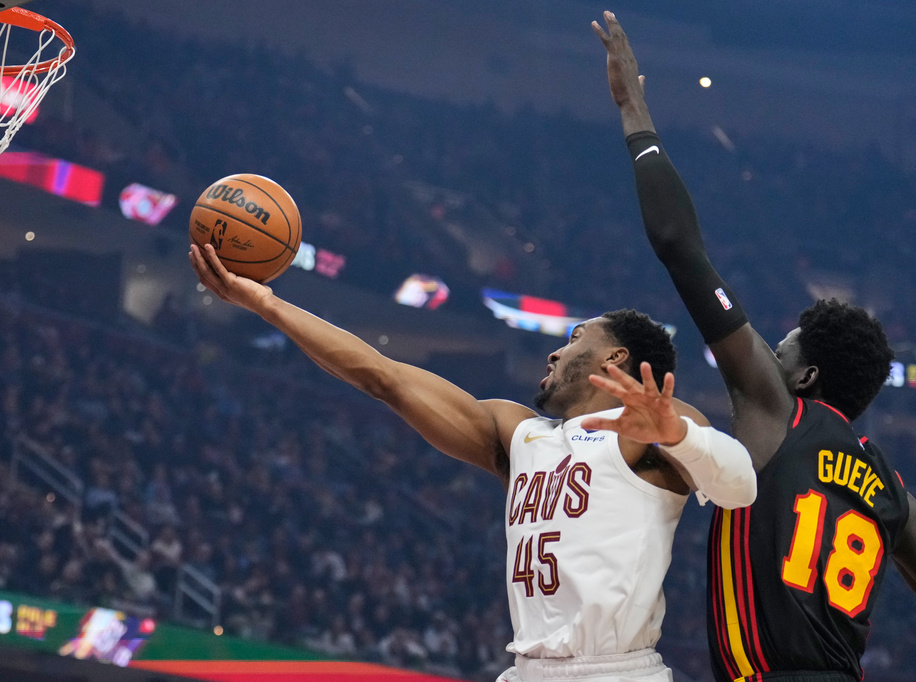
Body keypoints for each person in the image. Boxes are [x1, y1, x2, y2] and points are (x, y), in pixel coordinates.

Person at [592, 11, 916, 682]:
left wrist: (634, 112)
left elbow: (678, 246)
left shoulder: (774, 410)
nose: (767, 353)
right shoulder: (893, 491)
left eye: (780, 347)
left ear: (805, 373)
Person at [189, 243, 756, 682]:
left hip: (614, 670)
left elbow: (740, 487)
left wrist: (679, 435)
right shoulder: (517, 432)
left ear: (616, 357)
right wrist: (267, 303)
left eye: (575, 336)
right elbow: (381, 375)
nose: (555, 351)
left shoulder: (655, 423)